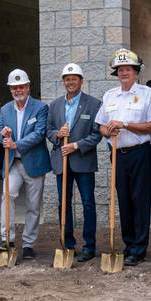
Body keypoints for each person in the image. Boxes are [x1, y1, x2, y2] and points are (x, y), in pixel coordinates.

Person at [96, 48, 151, 266]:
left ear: (136, 72)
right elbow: (101, 126)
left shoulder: (147, 95)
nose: (124, 73)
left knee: (139, 200)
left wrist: (125, 124)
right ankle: (128, 243)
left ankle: (140, 248)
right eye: (120, 70)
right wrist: (108, 131)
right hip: (118, 154)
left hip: (140, 153)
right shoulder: (109, 96)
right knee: (123, 201)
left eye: (128, 69)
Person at [47, 63, 103, 262]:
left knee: (88, 203)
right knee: (64, 204)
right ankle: (67, 244)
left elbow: (97, 134)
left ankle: (89, 246)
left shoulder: (94, 104)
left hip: (83, 161)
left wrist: (76, 145)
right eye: (67, 79)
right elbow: (48, 130)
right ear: (63, 82)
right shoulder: (54, 105)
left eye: (74, 79)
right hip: (62, 161)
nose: (70, 82)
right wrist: (57, 135)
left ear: (81, 81)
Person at [0, 69, 51, 260]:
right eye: (14, 87)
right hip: (12, 163)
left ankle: (28, 243)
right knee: (7, 194)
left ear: (28, 87)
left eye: (21, 86)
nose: (18, 90)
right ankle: (6, 239)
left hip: (34, 162)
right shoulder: (5, 109)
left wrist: (16, 144)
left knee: (33, 205)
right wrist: (2, 135)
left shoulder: (40, 107)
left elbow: (39, 133)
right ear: (10, 90)